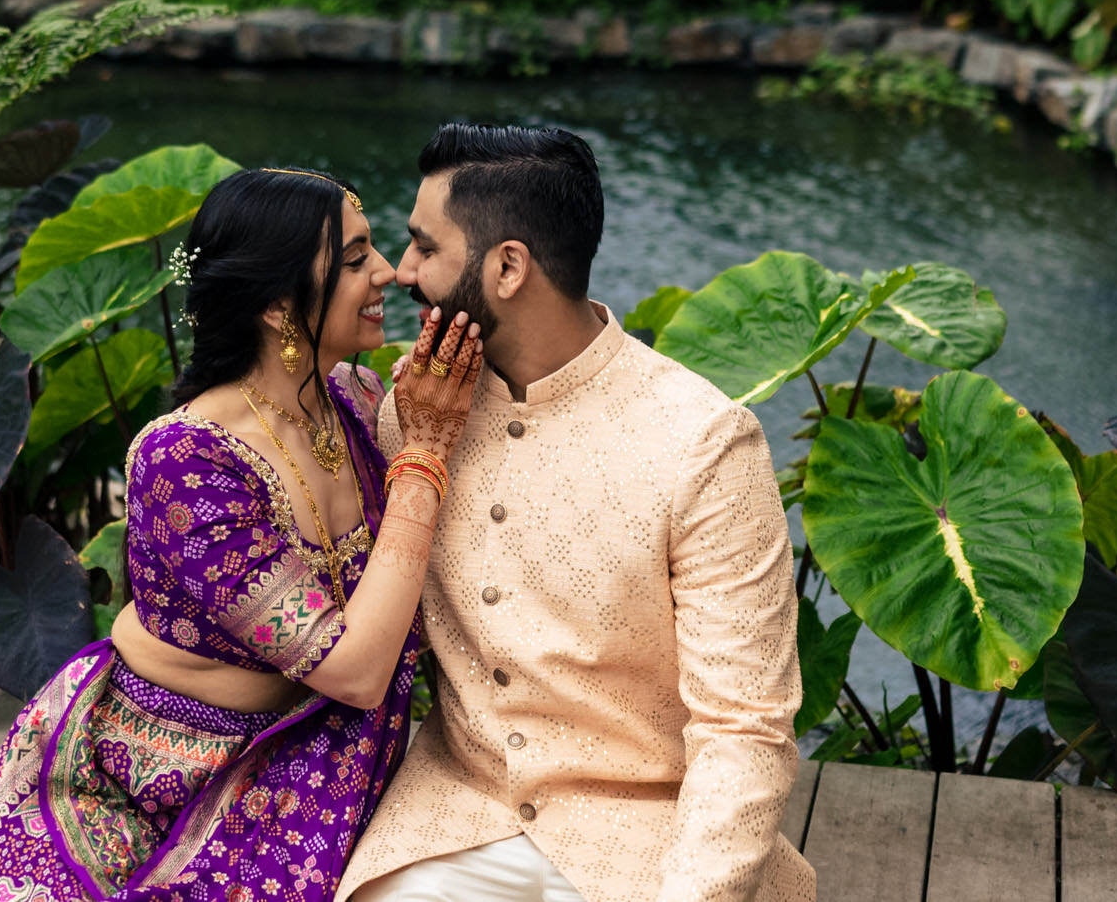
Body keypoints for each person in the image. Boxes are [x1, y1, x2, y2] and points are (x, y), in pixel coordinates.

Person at [0, 167, 484, 902]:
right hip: (157, 781)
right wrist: (424, 457)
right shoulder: (187, 459)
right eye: (358, 258)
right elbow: (357, 672)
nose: (390, 274)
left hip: (304, 745)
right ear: (277, 304)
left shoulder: (358, 403)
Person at [339, 124, 816, 902]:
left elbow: (745, 729)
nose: (402, 272)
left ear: (507, 267)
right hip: (455, 818)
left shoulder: (702, 442)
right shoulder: (414, 414)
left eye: (425, 246)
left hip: (647, 840)